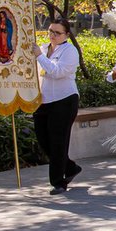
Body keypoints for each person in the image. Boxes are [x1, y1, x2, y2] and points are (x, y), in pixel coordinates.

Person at [32, 18, 82, 195]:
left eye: (57, 33)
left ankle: (58, 182)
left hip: (64, 99)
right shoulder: (44, 48)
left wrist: (38, 56)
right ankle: (70, 167)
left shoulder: (70, 51)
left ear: (66, 34)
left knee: (58, 142)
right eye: (50, 31)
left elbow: (57, 72)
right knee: (44, 140)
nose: (53, 35)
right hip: (43, 100)